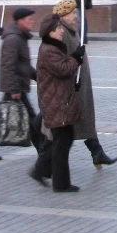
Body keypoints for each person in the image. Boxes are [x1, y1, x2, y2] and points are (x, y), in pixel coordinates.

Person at [53, 0, 116, 168]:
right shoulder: (62, 33)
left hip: (78, 85)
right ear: (63, 16)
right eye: (72, 13)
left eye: (75, 12)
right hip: (69, 87)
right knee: (60, 126)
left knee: (82, 119)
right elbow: (58, 63)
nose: (76, 16)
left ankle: (97, 152)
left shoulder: (72, 31)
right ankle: (43, 164)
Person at [0, 8, 43, 164]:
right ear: (20, 21)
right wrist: (13, 89)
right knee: (30, 120)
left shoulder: (19, 37)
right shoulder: (14, 39)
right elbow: (8, 66)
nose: (32, 21)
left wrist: (37, 77)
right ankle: (44, 151)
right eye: (29, 19)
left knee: (2, 117)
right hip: (15, 87)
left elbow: (23, 65)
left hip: (17, 85)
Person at [34, 13, 83, 192]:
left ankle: (47, 173)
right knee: (61, 142)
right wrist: (76, 58)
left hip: (60, 99)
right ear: (50, 32)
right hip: (56, 102)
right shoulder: (48, 50)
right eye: (58, 29)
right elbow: (63, 70)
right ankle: (60, 183)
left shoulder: (54, 47)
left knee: (64, 140)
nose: (62, 31)